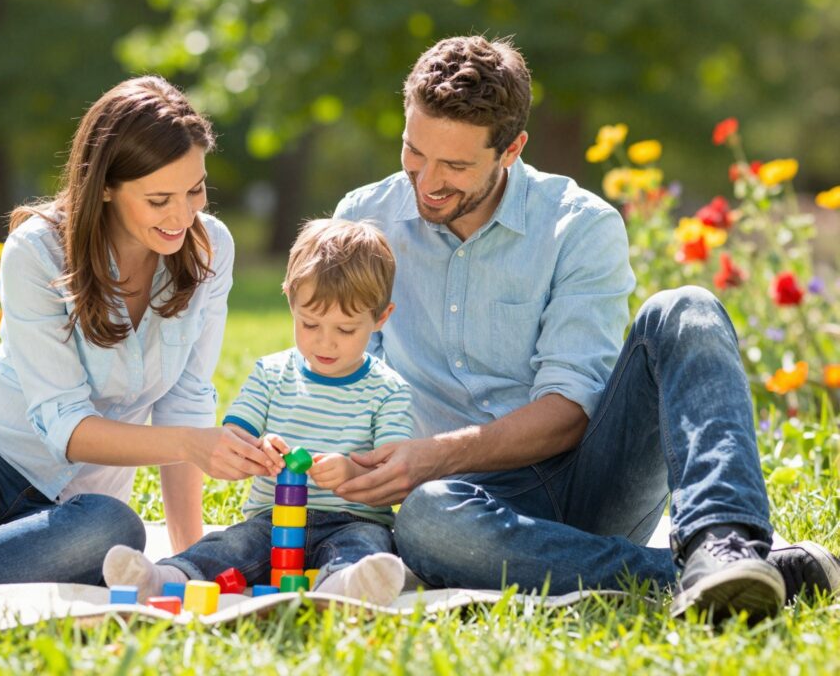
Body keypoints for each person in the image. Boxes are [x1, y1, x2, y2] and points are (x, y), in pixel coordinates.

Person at [330, 35, 840, 623]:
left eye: (456, 165)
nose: (427, 181)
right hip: (461, 506)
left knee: (685, 307)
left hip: (589, 483)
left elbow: (569, 410)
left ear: (512, 149)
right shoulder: (363, 221)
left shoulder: (579, 226)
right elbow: (348, 382)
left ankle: (724, 541)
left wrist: (430, 456)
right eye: (414, 152)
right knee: (426, 520)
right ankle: (736, 574)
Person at [0, 76, 281, 596]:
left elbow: (185, 399)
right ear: (105, 186)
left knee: (114, 533)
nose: (183, 214)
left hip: (72, 506)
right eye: (158, 199)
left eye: (195, 189)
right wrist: (191, 445)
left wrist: (189, 561)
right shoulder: (38, 250)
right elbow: (67, 425)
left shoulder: (209, 249)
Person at [103, 219, 414, 605]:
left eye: (346, 330)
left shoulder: (389, 390)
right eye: (310, 323)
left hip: (352, 519)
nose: (325, 341)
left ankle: (346, 587)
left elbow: (392, 474)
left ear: (381, 318)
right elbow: (234, 436)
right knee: (231, 544)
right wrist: (259, 448)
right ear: (290, 301)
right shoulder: (271, 374)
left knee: (364, 545)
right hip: (272, 517)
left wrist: (352, 471)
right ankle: (163, 576)